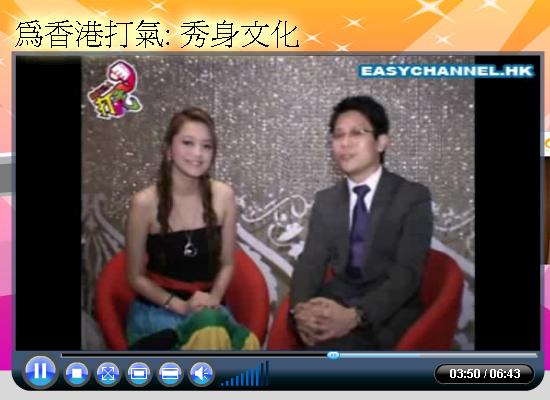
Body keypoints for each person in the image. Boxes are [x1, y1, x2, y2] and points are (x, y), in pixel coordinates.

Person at [289, 96, 433, 350]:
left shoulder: (412, 197)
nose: (344, 143)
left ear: (381, 142)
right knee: (309, 333)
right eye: (338, 135)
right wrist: (300, 309)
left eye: (356, 133)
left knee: (328, 349)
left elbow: (407, 274)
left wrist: (356, 316)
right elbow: (311, 262)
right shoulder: (326, 200)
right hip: (337, 298)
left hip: (387, 312)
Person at [125, 107, 259, 350]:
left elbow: (228, 263)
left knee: (234, 338)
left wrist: (213, 300)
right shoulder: (144, 203)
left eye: (206, 146)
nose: (197, 153)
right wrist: (181, 306)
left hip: (210, 310)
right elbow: (135, 276)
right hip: (160, 310)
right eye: (188, 143)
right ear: (168, 149)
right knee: (211, 332)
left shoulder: (224, 196)